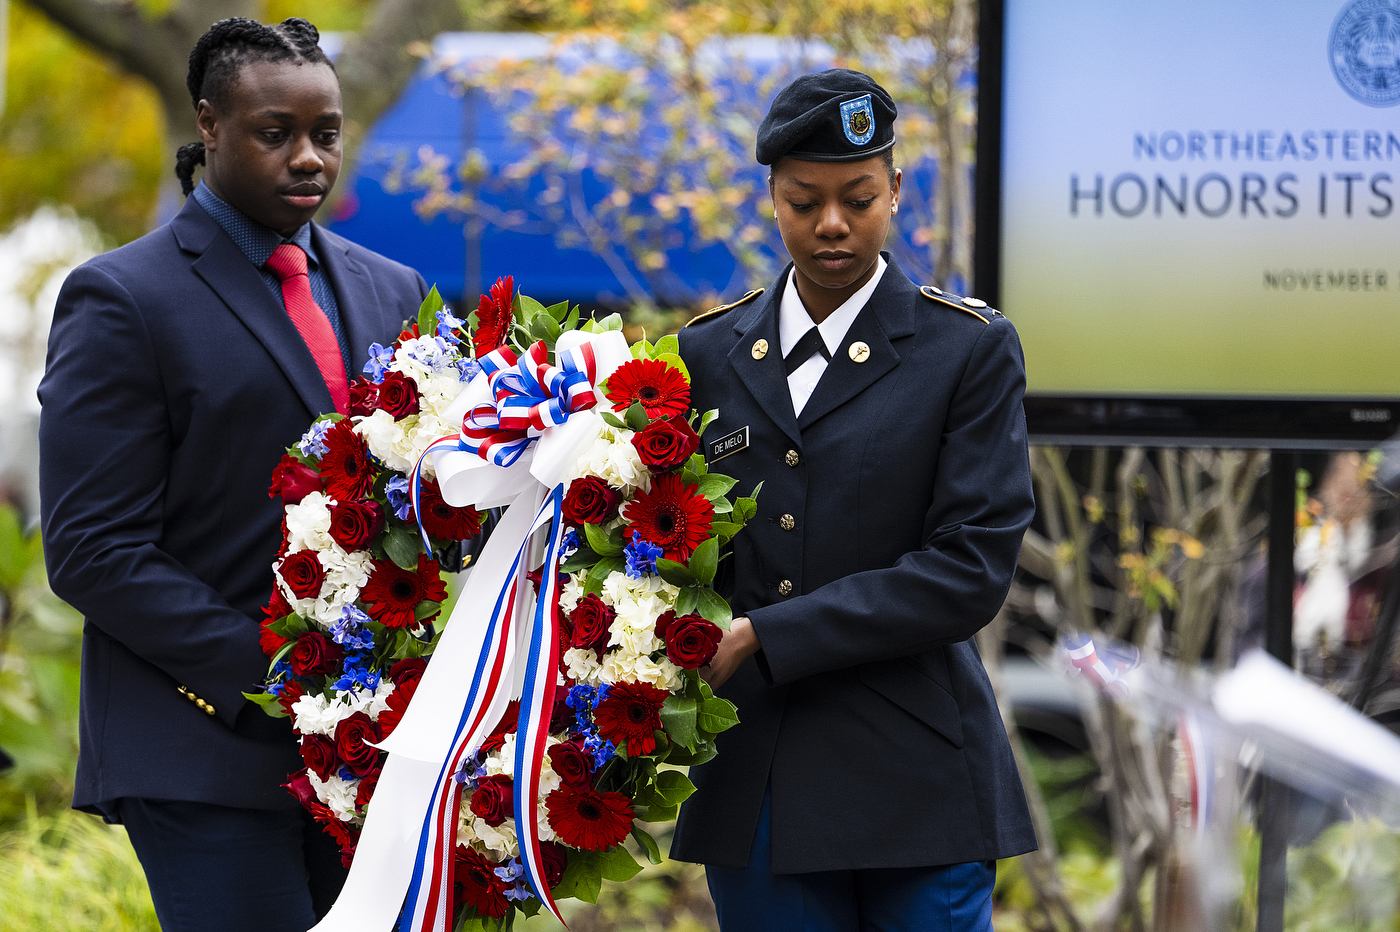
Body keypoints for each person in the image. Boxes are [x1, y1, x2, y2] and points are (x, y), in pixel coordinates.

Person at [38, 18, 428, 932]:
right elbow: (93, 551)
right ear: (209, 125)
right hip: (203, 745)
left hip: (373, 755)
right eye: (274, 133)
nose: (307, 158)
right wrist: (282, 680)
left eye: (324, 134)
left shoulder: (394, 290)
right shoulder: (122, 297)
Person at [671, 69, 1037, 931]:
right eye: (805, 201)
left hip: (917, 779)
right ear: (771, 198)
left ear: (897, 192)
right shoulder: (707, 353)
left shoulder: (966, 350)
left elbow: (969, 570)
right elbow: (672, 546)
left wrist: (768, 632)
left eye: (858, 198)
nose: (832, 224)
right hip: (758, 778)